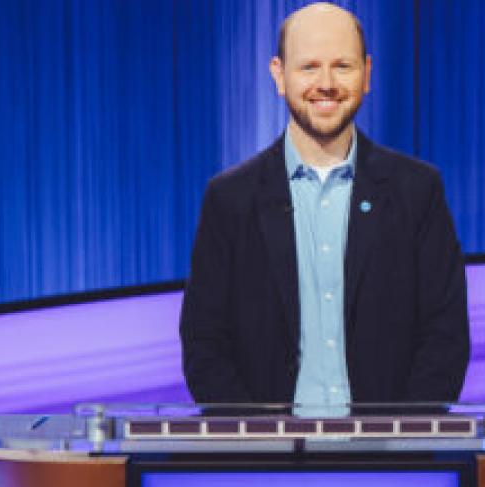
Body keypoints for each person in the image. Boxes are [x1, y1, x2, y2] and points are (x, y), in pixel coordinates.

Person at [180, 2, 469, 415]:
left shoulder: (417, 191)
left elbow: (445, 337)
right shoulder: (230, 200)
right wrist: (259, 442)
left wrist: (399, 440)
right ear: (279, 75)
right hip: (268, 461)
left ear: (367, 74)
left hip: (390, 460)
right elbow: (204, 345)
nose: (327, 83)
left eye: (343, 66)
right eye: (309, 67)